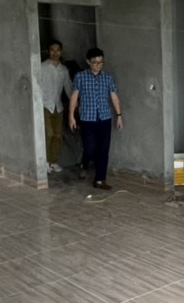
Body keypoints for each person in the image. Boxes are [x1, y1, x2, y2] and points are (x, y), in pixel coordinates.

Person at [68, 46, 122, 191]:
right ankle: (85, 164)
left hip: (104, 117)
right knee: (90, 148)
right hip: (87, 118)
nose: (98, 65)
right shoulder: (80, 77)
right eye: (95, 62)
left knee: (104, 149)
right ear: (88, 62)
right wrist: (71, 116)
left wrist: (119, 115)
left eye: (101, 62)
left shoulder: (107, 77)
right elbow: (74, 97)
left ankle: (100, 179)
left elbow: (114, 97)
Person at [37, 39, 72, 173]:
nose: (55, 53)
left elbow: (68, 88)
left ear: (61, 52)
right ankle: (44, 162)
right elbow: (37, 86)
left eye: (58, 50)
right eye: (52, 50)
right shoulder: (42, 67)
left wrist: (74, 104)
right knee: (48, 134)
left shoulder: (63, 70)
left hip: (58, 106)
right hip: (45, 105)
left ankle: (53, 162)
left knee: (57, 135)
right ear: (48, 51)